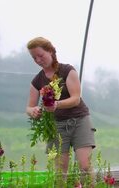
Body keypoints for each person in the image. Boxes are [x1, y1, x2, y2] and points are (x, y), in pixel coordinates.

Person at [26, 37, 96, 183]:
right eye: (34, 58)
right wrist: (33, 111)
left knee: (85, 166)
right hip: (56, 125)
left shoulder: (67, 70)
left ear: (50, 51)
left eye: (41, 55)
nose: (38, 60)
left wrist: (56, 105)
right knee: (59, 172)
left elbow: (76, 99)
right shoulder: (37, 81)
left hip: (80, 121)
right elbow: (29, 106)